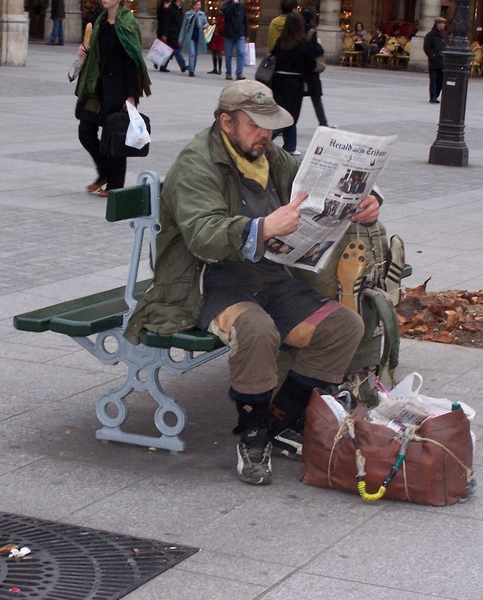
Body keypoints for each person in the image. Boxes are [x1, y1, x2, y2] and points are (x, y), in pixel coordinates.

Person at [123, 80, 378, 485]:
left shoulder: (270, 156)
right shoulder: (196, 165)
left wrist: (366, 200)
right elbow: (202, 235)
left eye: (271, 126)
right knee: (255, 329)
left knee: (343, 327)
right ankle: (252, 434)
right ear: (226, 122)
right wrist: (260, 228)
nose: (267, 135)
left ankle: (280, 421)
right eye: (256, 126)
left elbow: (323, 188)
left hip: (269, 276)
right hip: (206, 282)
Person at [75, 0, 152, 197]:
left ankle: (115, 185)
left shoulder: (128, 23)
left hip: (119, 88)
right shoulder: (99, 20)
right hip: (97, 86)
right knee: (85, 130)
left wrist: (132, 95)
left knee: (115, 135)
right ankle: (103, 172)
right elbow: (95, 51)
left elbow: (134, 60)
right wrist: (85, 50)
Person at [269, 12, 316, 155]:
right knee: (289, 116)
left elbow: (273, 57)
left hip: (278, 81)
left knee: (284, 113)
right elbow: (311, 64)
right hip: (294, 84)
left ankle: (290, 145)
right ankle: (265, 137)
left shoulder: (280, 41)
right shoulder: (303, 43)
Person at [302, 7, 330, 127]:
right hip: (311, 70)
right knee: (316, 98)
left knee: (293, 100)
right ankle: (323, 122)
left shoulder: (296, 30)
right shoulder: (312, 32)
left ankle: (285, 125)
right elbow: (317, 50)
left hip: (298, 69)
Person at [180, 0, 208, 77]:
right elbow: (183, 26)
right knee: (191, 53)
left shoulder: (202, 14)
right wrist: (181, 38)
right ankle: (191, 71)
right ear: (193, 6)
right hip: (190, 36)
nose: (199, 6)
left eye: (200, 5)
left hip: (199, 37)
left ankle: (192, 68)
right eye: (198, 5)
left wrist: (206, 25)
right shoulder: (188, 14)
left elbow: (206, 23)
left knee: (195, 54)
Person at [159, 0, 188, 73]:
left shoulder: (177, 9)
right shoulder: (171, 9)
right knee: (176, 49)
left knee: (170, 51)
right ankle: (183, 66)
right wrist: (164, 34)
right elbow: (166, 22)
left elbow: (180, 19)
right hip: (171, 33)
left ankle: (163, 66)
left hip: (175, 32)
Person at [222, 0, 248, 80]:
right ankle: (228, 73)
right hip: (229, 34)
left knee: (240, 52)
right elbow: (227, 15)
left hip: (240, 33)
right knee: (228, 54)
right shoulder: (226, 5)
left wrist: (247, 34)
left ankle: (239, 73)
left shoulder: (242, 6)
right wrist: (233, 4)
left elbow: (245, 20)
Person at [423, 17, 447, 104]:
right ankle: (432, 97)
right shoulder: (430, 35)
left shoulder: (445, 35)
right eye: (440, 23)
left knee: (440, 80)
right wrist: (433, 55)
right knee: (433, 79)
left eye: (443, 23)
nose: (442, 25)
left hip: (443, 62)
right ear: (436, 24)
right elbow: (427, 47)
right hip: (434, 62)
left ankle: (436, 95)